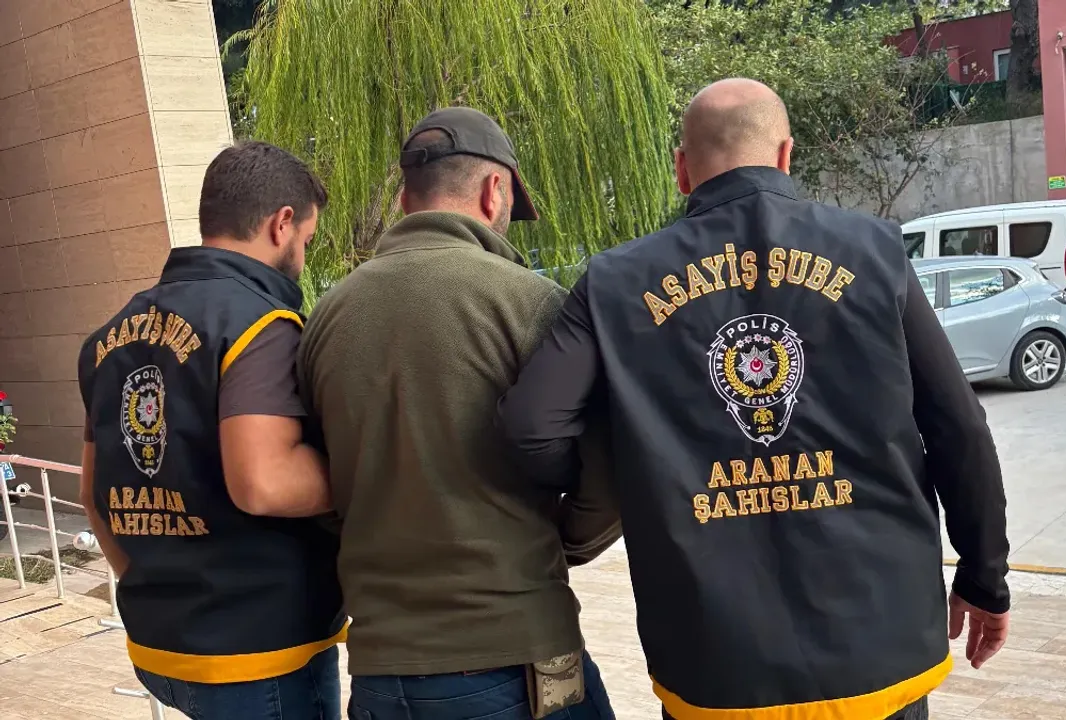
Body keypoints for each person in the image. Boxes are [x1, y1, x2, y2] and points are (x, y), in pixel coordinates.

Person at [498, 78, 1012, 720]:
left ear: (682, 169)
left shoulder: (615, 280)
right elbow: (960, 427)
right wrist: (984, 577)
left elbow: (531, 426)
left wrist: (626, 478)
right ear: (785, 154)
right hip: (876, 642)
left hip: (716, 656)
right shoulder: (876, 252)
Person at [296, 107, 618, 720]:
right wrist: (565, 543)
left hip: (381, 670)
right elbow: (610, 473)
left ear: (404, 199)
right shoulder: (532, 302)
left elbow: (319, 481)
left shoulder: (327, 317)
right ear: (495, 190)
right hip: (514, 655)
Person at [76, 141, 345, 719]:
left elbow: (92, 496)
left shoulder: (106, 338)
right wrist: (373, 471)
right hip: (260, 650)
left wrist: (149, 586)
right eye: (306, 240)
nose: (302, 257)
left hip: (159, 643)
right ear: (282, 223)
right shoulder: (260, 323)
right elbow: (265, 483)